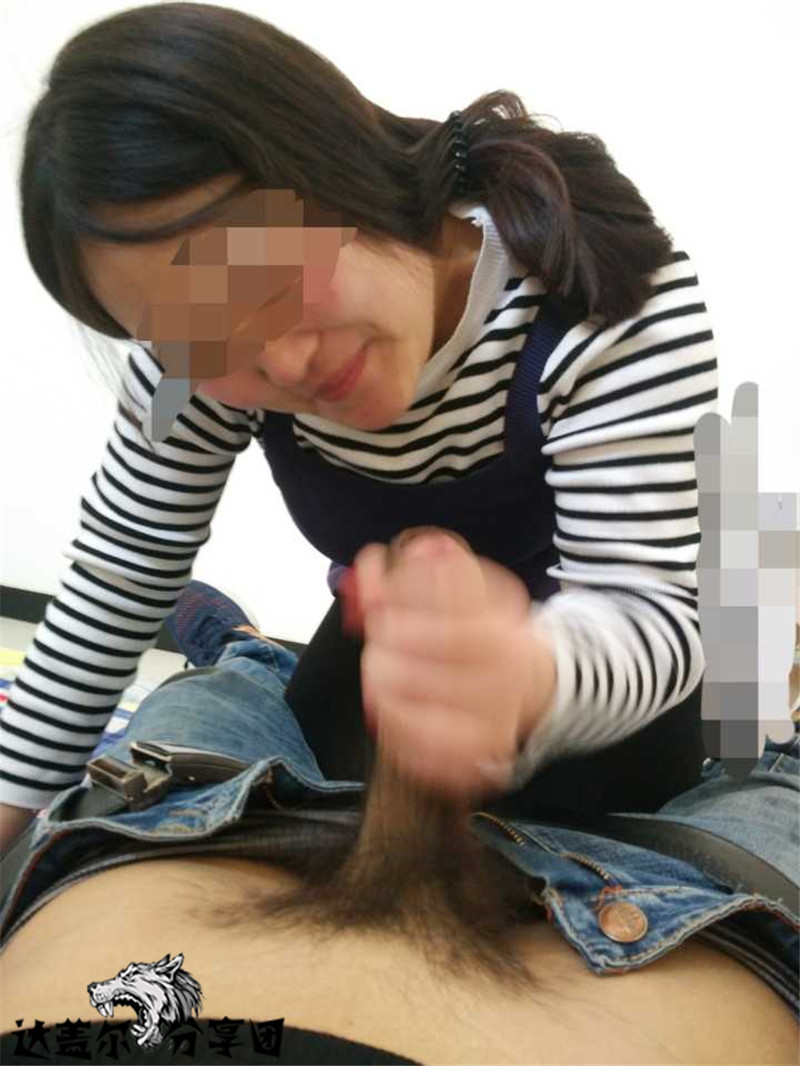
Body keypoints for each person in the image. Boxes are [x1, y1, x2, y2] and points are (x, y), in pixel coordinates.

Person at [1, 2, 718, 849]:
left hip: (600, 687)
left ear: (341, 170)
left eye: (272, 282)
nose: (287, 363)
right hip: (387, 669)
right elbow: (118, 577)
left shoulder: (602, 295)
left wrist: (523, 674)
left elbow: (648, 607)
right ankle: (239, 646)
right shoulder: (186, 370)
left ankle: (240, 644)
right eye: (199, 334)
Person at [1, 572, 797, 1065]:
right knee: (780, 789)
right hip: (693, 917)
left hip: (203, 827)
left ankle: (244, 653)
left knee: (216, 702)